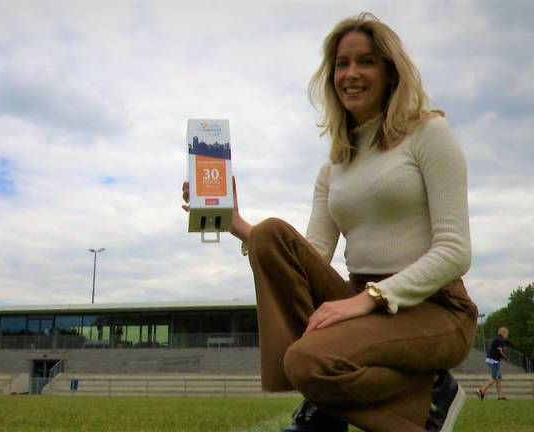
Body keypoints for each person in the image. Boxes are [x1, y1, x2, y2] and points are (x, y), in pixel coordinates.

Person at [182, 12, 477, 432]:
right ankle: (399, 396)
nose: (351, 74)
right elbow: (310, 258)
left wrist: (367, 299)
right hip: (365, 303)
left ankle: (412, 402)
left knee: (306, 361)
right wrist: (237, 224)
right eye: (342, 64)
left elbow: (455, 250)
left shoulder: (429, 133)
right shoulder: (334, 165)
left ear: (390, 72)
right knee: (269, 235)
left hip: (434, 307)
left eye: (366, 62)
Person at [475, 327, 509, 401]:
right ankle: (481, 391)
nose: (507, 336)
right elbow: (500, 351)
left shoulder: (496, 338)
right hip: (494, 360)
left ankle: (500, 397)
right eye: (507, 334)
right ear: (504, 333)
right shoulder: (501, 340)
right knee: (494, 378)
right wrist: (505, 357)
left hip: (490, 359)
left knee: (499, 378)